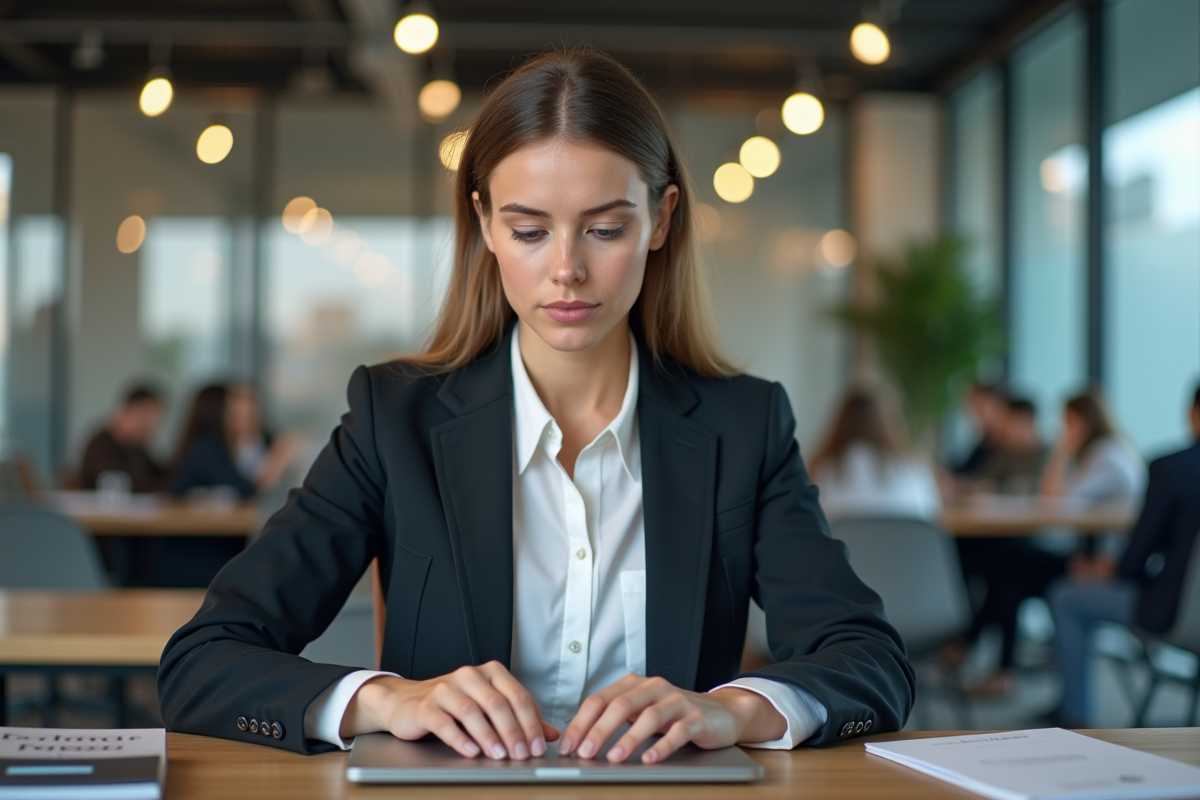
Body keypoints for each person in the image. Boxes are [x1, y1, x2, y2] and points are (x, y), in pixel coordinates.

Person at [158, 49, 913, 762]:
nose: (566, 270)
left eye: (606, 228)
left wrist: (738, 709)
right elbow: (203, 660)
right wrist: (386, 700)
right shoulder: (396, 421)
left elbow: (871, 660)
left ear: (662, 219)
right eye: (527, 230)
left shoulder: (744, 427)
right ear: (484, 223)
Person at [1048, 384, 1200, 727]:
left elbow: (1137, 556)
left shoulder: (1170, 469)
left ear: (1192, 413)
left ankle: (1076, 715)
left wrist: (1108, 571)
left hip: (1176, 611)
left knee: (1066, 595)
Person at [809, 389, 940, 522]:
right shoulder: (913, 464)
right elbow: (932, 514)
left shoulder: (822, 468)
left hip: (846, 540)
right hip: (906, 542)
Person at [170, 383, 298, 500]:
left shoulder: (256, 440)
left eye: (250, 411)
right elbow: (245, 489)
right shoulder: (205, 447)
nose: (245, 411)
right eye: (236, 412)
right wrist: (276, 462)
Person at [1040, 390, 1146, 510]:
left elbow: (1059, 503)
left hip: (1119, 527)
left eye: (1069, 422)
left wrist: (1060, 453)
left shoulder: (1106, 455)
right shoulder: (1104, 449)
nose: (1064, 430)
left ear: (1086, 422)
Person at [78, 383, 168, 493]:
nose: (149, 427)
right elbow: (124, 484)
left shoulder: (136, 447)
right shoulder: (101, 447)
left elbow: (160, 474)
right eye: (145, 418)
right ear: (127, 411)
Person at [975, 396, 1049, 495]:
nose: (1004, 428)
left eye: (1008, 421)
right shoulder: (1005, 452)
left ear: (1026, 419)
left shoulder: (1049, 455)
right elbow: (983, 482)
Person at [950, 381, 1008, 477]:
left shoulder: (1003, 444)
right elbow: (964, 471)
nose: (973, 411)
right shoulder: (984, 441)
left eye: (979, 405)